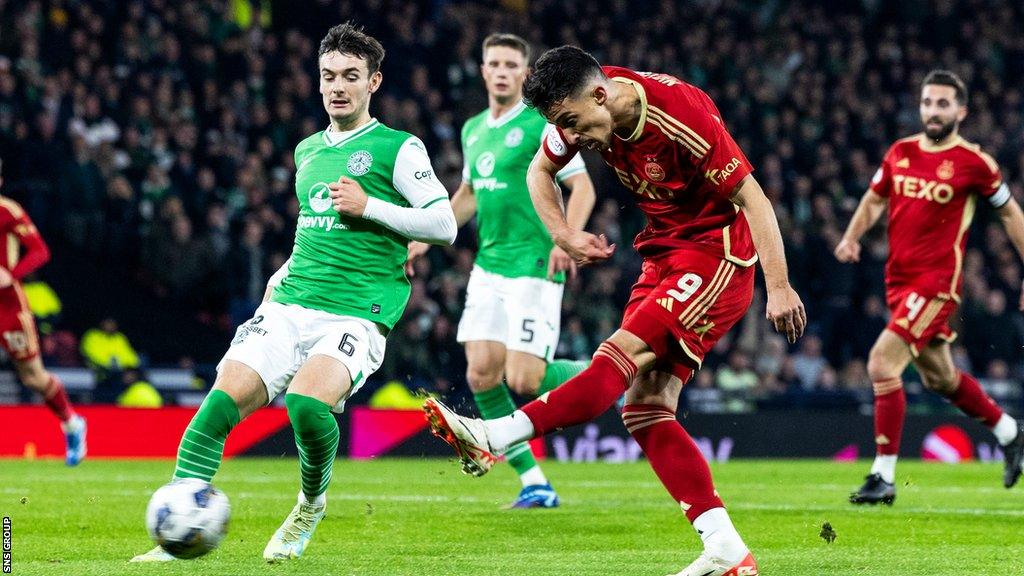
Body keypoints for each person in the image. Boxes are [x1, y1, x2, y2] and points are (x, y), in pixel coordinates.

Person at [424, 46, 805, 576]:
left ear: (601, 95)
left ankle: (495, 436)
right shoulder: (577, 112)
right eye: (561, 125)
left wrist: (780, 287)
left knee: (617, 356)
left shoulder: (679, 116)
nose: (570, 137)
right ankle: (725, 550)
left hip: (718, 255)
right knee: (644, 409)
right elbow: (539, 173)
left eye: (573, 123)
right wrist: (563, 233)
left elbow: (755, 200)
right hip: (663, 252)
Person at [131, 22, 456, 563]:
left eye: (351, 76)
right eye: (329, 75)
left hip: (356, 312)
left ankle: (310, 504)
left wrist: (370, 207)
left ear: (373, 82)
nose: (337, 86)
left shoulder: (399, 148)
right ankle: (175, 533)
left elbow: (443, 223)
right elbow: (314, 225)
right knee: (216, 409)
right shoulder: (307, 150)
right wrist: (279, 276)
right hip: (289, 300)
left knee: (306, 404)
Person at [407, 33, 596, 508]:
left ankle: (609, 372)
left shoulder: (541, 122)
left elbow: (583, 188)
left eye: (512, 64)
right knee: (481, 374)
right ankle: (534, 482)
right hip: (489, 266)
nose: (502, 71)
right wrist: (423, 239)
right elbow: (467, 197)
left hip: (534, 260)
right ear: (484, 70)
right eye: (495, 63)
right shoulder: (473, 129)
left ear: (525, 73)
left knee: (525, 380)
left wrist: (567, 237)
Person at [835, 70, 1024, 504]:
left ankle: (882, 476)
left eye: (942, 104)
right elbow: (874, 198)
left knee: (882, 362)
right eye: (927, 103)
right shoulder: (900, 152)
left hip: (936, 284)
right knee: (940, 378)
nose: (932, 111)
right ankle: (1010, 432)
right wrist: (850, 236)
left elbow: (1012, 215)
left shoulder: (975, 163)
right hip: (898, 283)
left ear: (961, 111)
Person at [0, 157, 86, 466]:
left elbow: (40, 251)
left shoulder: (7, 211)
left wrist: (12, 274)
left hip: (7, 306)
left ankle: (72, 424)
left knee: (33, 377)